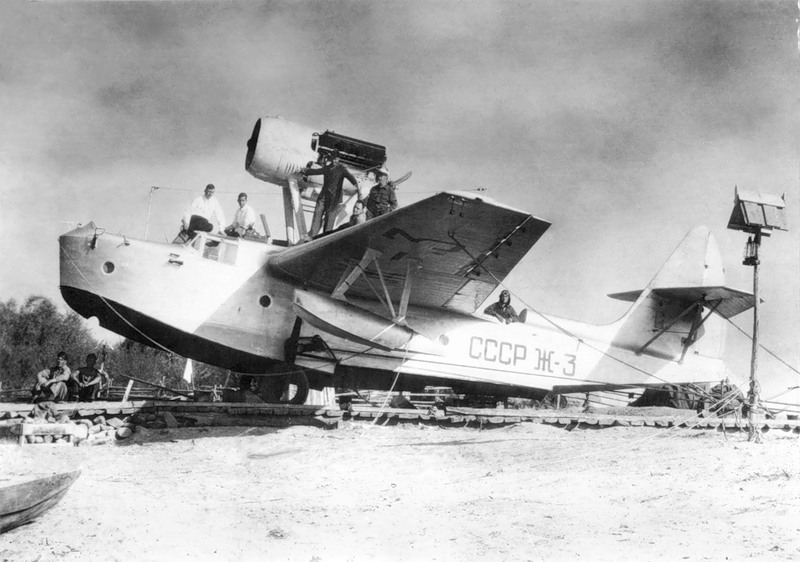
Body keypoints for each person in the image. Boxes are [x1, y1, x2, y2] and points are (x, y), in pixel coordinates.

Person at [303, 149, 361, 237]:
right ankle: (313, 237)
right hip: (323, 197)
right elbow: (317, 171)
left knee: (329, 222)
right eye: (333, 159)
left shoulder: (341, 169)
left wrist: (356, 184)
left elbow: (350, 177)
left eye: (336, 159)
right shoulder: (327, 168)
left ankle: (325, 239)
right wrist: (305, 171)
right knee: (317, 215)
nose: (334, 161)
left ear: (338, 159)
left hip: (334, 200)